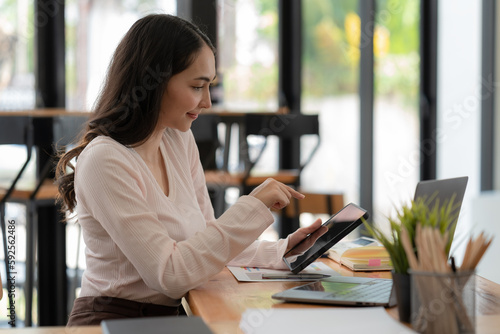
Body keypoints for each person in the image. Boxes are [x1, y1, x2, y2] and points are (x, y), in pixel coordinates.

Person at [56, 13, 323, 326]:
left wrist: (281, 252)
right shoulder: (106, 161)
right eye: (198, 86)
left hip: (170, 318)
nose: (207, 102)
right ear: (153, 83)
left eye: (209, 86)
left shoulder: (177, 140)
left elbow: (204, 245)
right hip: (112, 321)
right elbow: (171, 275)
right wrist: (250, 207)